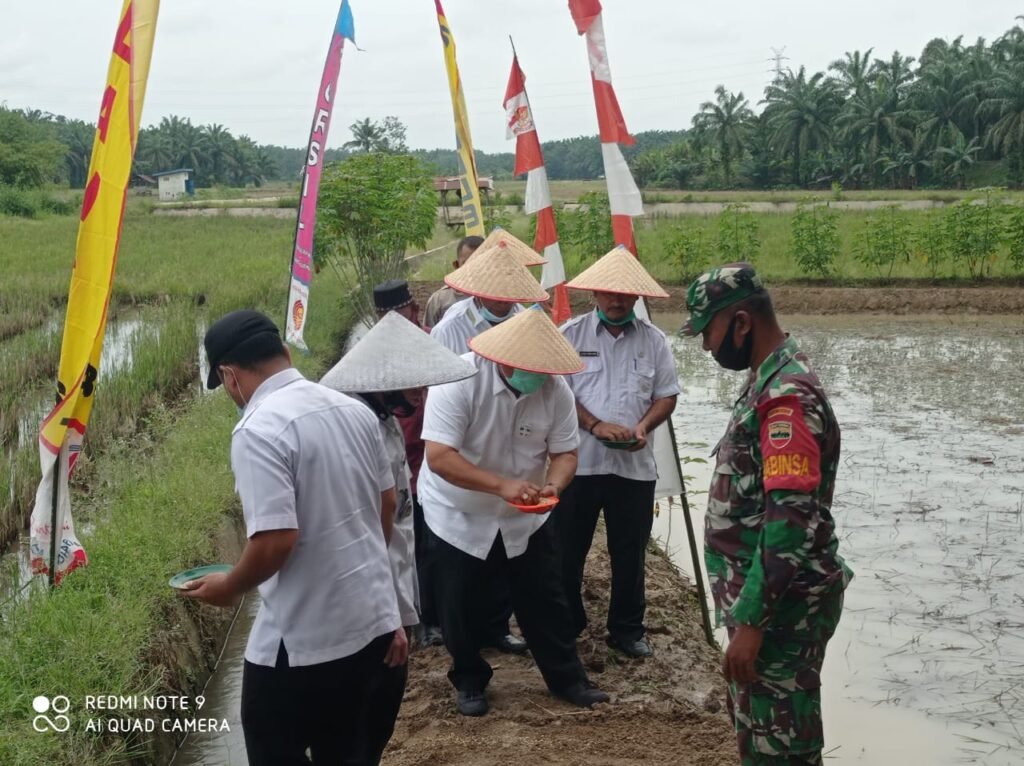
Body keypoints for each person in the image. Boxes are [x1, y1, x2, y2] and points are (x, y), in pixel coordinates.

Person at [184, 309, 408, 766]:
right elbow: (385, 507)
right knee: (347, 750)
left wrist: (229, 586)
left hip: (307, 641)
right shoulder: (354, 410)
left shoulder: (258, 429)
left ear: (229, 377)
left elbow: (274, 541)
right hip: (369, 626)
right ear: (284, 353)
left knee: (272, 747)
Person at [680, 264, 853, 766]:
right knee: (761, 735)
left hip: (780, 611)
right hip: (764, 601)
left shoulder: (787, 398)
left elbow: (789, 520)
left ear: (740, 323)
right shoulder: (768, 378)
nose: (707, 348)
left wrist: (752, 621)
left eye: (708, 332)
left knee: (781, 747)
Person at [418, 307, 610, 716]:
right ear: (501, 357)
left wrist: (554, 485)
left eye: (543, 368)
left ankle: (568, 680)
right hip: (459, 510)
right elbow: (439, 457)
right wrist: (501, 485)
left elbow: (565, 452)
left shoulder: (554, 390)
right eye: (529, 367)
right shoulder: (458, 380)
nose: (537, 376)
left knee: (546, 597)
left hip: (526, 510)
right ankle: (470, 679)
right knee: (459, 601)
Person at [320, 311, 478, 641]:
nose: (421, 395)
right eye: (415, 386)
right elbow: (368, 527)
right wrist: (385, 612)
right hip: (373, 593)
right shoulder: (356, 428)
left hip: (395, 577)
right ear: (386, 380)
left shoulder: (386, 419)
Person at [428, 242, 551, 655]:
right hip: (464, 436)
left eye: (510, 292)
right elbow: (440, 396)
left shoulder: (529, 322)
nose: (503, 299)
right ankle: (467, 657)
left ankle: (498, 627)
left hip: (511, 439)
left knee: (506, 547)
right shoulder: (451, 327)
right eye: (495, 291)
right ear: (478, 288)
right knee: (465, 563)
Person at [557, 246, 680, 658]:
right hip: (579, 465)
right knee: (567, 551)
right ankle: (568, 624)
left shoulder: (654, 341)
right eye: (608, 293)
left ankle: (627, 630)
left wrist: (643, 426)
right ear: (593, 293)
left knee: (630, 554)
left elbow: (666, 395)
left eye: (624, 295)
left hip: (633, 466)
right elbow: (557, 395)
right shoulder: (569, 336)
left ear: (636, 297)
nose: (616, 301)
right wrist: (593, 424)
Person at [423, 235, 482, 329]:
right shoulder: (440, 300)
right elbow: (429, 336)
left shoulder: (500, 299)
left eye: (479, 263)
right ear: (456, 265)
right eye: (466, 263)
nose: (472, 268)